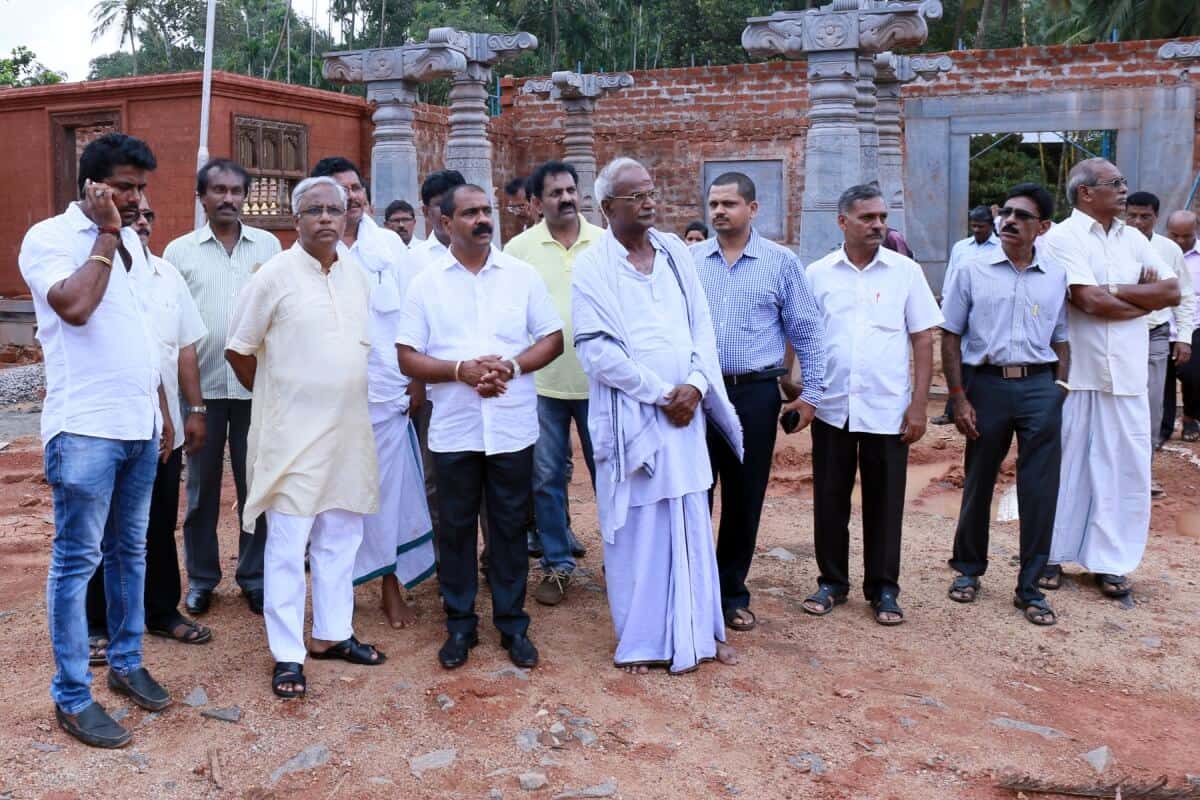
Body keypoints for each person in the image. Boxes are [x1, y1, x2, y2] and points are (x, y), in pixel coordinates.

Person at [20, 132, 174, 748]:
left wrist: (159, 413)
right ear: (91, 185)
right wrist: (108, 233)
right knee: (77, 560)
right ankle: (73, 694)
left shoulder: (135, 242)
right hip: (84, 429)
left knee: (131, 551)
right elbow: (76, 308)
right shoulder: (51, 240)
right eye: (124, 187)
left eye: (142, 188)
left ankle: (128, 662)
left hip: (138, 428)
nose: (137, 200)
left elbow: (143, 336)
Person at [573, 157, 743, 674]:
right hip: (634, 419)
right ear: (607, 208)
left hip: (685, 414)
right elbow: (595, 351)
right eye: (635, 196)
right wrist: (660, 393)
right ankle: (645, 640)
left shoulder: (674, 252)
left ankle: (698, 634)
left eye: (650, 191)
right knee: (641, 530)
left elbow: (702, 328)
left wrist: (693, 386)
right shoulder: (592, 266)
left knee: (691, 518)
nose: (649, 201)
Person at [225, 176, 386, 699]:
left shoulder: (357, 275)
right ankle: (288, 654)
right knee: (289, 547)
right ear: (296, 220)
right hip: (290, 439)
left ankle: (332, 634)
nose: (324, 218)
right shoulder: (272, 276)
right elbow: (239, 350)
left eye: (333, 210)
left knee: (341, 538)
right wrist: (277, 394)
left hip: (347, 433)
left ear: (347, 218)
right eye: (313, 210)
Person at [397, 183, 564, 670]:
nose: (482, 220)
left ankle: (512, 623)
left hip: (511, 427)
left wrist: (508, 367)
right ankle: (460, 625)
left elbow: (551, 339)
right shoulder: (426, 283)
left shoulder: (521, 275)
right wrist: (459, 371)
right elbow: (406, 354)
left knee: (510, 528)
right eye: (470, 213)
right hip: (454, 429)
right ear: (445, 223)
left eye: (486, 211)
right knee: (455, 529)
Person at [1039, 158, 1179, 600]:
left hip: (1129, 373)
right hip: (1077, 374)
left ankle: (1110, 562)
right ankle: (1051, 555)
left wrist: (1115, 291)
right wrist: (1139, 298)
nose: (1124, 190)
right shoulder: (1062, 237)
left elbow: (1172, 292)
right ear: (1085, 192)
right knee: (1067, 468)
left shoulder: (1135, 239)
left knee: (1123, 471)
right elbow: (1086, 299)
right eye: (1115, 183)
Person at [802, 183, 941, 626]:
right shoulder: (818, 274)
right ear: (843, 222)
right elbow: (804, 334)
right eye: (868, 218)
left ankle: (884, 589)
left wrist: (918, 405)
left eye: (882, 217)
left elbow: (922, 339)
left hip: (887, 410)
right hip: (832, 407)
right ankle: (832, 583)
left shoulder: (904, 272)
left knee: (885, 503)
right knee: (829, 499)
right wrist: (802, 388)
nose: (878, 224)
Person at [692, 172, 825, 632]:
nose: (719, 212)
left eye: (729, 203)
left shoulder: (780, 263)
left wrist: (811, 396)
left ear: (753, 208)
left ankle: (731, 594)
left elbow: (807, 331)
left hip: (754, 394)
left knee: (744, 497)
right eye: (713, 204)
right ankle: (694, 592)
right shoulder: (690, 262)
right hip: (699, 392)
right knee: (694, 492)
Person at [310, 157, 434, 629]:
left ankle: (389, 586)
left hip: (386, 394)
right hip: (330, 400)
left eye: (357, 186)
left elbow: (411, 319)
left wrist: (417, 378)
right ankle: (334, 594)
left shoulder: (390, 248)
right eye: (342, 189)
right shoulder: (309, 250)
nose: (353, 195)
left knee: (389, 494)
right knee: (334, 499)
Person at [86, 197, 210, 662]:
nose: (140, 222)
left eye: (148, 216)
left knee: (157, 521)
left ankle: (161, 611)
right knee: (102, 526)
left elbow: (184, 350)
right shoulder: (96, 274)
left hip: (161, 426)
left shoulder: (167, 275)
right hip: (105, 424)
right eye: (131, 214)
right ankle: (96, 622)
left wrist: (193, 410)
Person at [940, 183, 1069, 625]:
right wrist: (958, 398)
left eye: (1022, 216)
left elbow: (1062, 337)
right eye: (1006, 212)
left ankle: (1030, 587)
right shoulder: (972, 269)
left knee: (1039, 489)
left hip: (1039, 387)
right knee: (979, 480)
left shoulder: (1055, 274)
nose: (1009, 220)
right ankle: (968, 571)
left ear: (1043, 227)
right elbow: (951, 334)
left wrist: (1060, 390)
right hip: (987, 386)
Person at [164, 158, 280, 617]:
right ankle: (203, 579)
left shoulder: (269, 247)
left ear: (245, 195)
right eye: (218, 190)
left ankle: (254, 577)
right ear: (202, 196)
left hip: (258, 388)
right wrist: (188, 401)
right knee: (201, 493)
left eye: (235, 190)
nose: (228, 198)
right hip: (203, 392)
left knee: (258, 487)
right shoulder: (179, 252)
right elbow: (172, 325)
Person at [503, 161, 599, 606]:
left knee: (610, 474)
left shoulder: (605, 244)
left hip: (601, 383)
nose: (565, 198)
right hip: (540, 385)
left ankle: (621, 562)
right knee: (545, 478)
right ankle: (558, 564)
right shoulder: (518, 250)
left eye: (570, 190)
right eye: (555, 192)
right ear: (537, 202)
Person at [1124, 192, 1194, 472]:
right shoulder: (1110, 246)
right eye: (1132, 215)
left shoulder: (1169, 250)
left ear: (1156, 218)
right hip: (1118, 334)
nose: (1138, 222)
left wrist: (1185, 338)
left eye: (1145, 217)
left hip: (1156, 336)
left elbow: (1185, 295)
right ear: (1123, 215)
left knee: (1152, 406)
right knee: (1118, 404)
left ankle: (1144, 471)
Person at [931, 205, 1001, 426]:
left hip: (985, 311)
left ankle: (981, 408)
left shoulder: (1000, 247)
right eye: (974, 226)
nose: (977, 230)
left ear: (991, 225)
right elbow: (952, 276)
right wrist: (946, 305)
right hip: (959, 307)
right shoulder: (961, 247)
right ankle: (951, 410)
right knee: (954, 356)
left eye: (981, 226)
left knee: (977, 359)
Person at [1164, 210, 1200, 442]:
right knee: (1162, 381)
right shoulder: (1156, 252)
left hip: (1195, 326)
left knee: (1194, 376)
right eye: (1174, 235)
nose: (1180, 241)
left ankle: (1190, 417)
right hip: (1162, 327)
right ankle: (1163, 428)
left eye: (1186, 236)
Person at [410, 169, 466, 271]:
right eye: (440, 204)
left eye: (455, 203)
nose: (449, 210)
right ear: (426, 211)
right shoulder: (412, 261)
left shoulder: (488, 256)